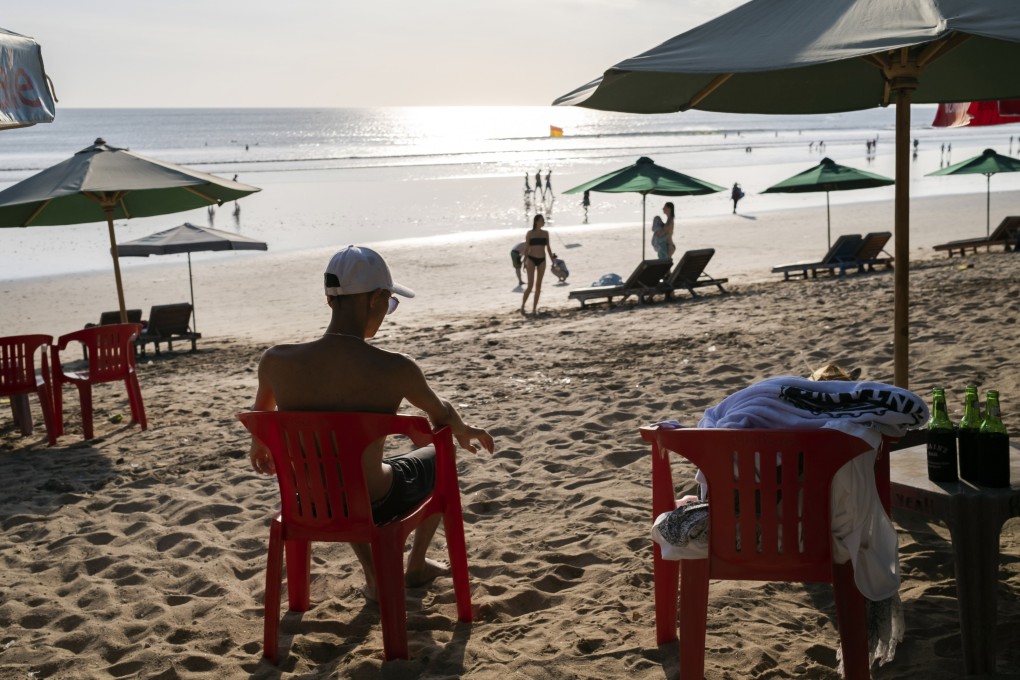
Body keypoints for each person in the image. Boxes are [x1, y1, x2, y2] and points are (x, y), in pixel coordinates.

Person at [248, 245, 495, 600]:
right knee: (437, 456)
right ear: (377, 299)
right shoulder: (396, 368)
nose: (387, 312)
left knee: (333, 470)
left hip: (310, 499)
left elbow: (260, 421)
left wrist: (259, 445)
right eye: (391, 303)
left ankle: (374, 575)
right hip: (374, 499)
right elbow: (440, 416)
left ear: (331, 300)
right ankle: (417, 566)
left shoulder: (275, 361)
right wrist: (462, 429)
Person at [521, 214, 553, 315]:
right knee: (530, 285)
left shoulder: (546, 233)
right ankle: (522, 306)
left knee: (538, 286)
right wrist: (525, 261)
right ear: (536, 221)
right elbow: (526, 248)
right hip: (531, 259)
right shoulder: (530, 233)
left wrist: (553, 261)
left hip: (542, 260)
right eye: (542, 220)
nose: (543, 222)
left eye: (543, 220)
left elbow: (548, 248)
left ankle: (534, 309)